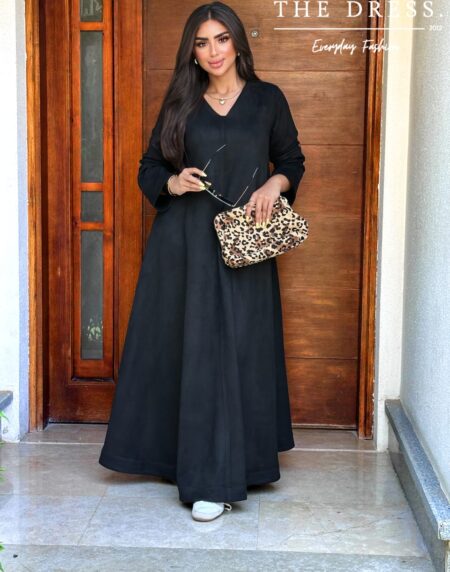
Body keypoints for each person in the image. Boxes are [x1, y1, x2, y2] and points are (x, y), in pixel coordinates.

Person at [99, 1, 306, 522]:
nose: (213, 51)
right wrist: (172, 182)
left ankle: (237, 462)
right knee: (195, 352)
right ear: (191, 51)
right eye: (201, 42)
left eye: (221, 39)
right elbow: (149, 167)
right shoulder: (181, 103)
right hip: (184, 246)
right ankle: (207, 474)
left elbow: (292, 160)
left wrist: (273, 185)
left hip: (244, 247)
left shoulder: (267, 99)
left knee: (240, 349)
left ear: (237, 42)